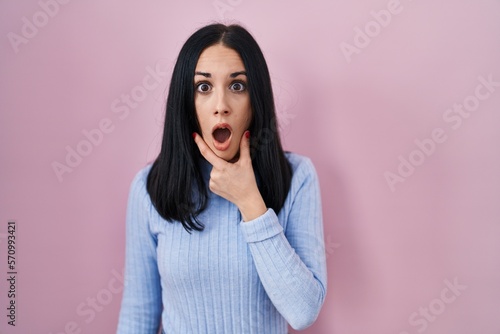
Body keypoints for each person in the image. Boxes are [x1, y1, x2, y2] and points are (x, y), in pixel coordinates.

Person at [117, 23, 327, 334]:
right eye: (204, 88)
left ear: (256, 101)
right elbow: (137, 316)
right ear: (187, 104)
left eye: (237, 86)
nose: (221, 107)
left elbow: (303, 311)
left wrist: (250, 202)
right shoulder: (149, 188)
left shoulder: (298, 177)